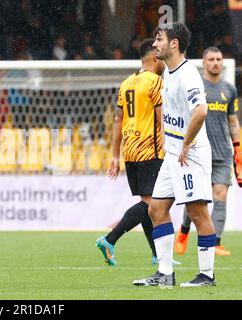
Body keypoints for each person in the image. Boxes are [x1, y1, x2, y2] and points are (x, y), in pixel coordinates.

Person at [133, 22, 217, 287]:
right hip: (173, 155)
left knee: (197, 213)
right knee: (156, 209)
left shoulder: (188, 74)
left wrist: (186, 143)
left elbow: (200, 110)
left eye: (159, 39)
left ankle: (206, 275)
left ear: (174, 44)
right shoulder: (168, 72)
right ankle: (165, 274)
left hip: (189, 154)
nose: (154, 44)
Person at [96, 38, 171, 267]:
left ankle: (157, 254)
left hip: (130, 152)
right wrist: (170, 145)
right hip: (151, 149)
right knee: (152, 205)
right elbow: (162, 119)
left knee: (148, 204)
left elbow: (118, 121)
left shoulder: (126, 83)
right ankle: (110, 239)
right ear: (155, 57)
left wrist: (115, 155)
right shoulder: (156, 83)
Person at [174, 47, 241, 256]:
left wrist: (238, 149)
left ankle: (217, 242)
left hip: (222, 153)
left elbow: (232, 121)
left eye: (219, 59)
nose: (216, 63)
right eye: (211, 59)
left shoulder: (229, 90)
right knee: (196, 198)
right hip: (198, 152)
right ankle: (184, 231)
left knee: (220, 195)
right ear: (204, 62)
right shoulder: (196, 86)